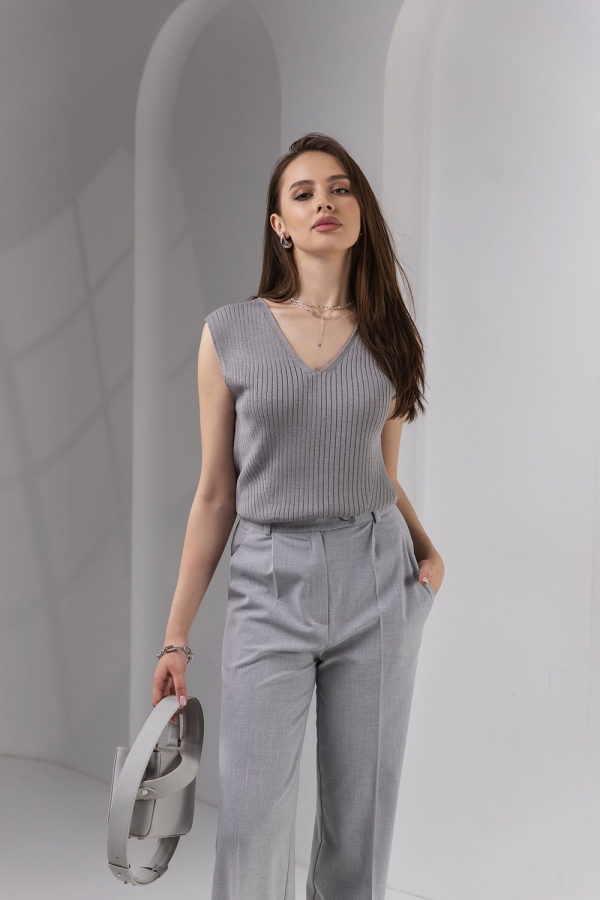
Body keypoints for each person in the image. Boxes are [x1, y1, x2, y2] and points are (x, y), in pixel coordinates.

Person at [152, 132, 445, 900]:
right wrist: (176, 635)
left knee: (360, 824)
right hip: (269, 583)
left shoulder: (392, 336)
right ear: (280, 224)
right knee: (252, 823)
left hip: (377, 580)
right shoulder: (229, 333)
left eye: (341, 188)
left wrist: (427, 554)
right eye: (304, 192)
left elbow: (380, 475)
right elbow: (216, 492)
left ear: (360, 211)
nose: (325, 202)